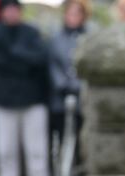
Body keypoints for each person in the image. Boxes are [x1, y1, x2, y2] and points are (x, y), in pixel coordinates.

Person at [0, 0, 50, 176]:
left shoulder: (31, 32)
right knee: (5, 150)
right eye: (8, 10)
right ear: (3, 13)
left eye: (15, 10)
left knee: (36, 150)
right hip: (4, 100)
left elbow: (39, 59)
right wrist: (20, 60)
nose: (12, 13)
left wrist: (14, 55)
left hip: (33, 100)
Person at [48, 0, 89, 144]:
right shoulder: (56, 38)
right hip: (59, 100)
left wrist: (78, 86)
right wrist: (63, 86)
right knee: (60, 138)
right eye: (70, 13)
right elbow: (52, 64)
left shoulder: (89, 38)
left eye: (77, 14)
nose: (73, 17)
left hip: (82, 100)